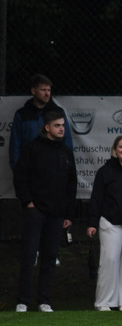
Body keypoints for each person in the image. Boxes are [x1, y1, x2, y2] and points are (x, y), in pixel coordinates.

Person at [13, 110, 77, 312]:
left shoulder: (66, 152)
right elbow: (20, 177)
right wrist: (29, 203)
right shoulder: (33, 149)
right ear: (47, 127)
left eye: (63, 126)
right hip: (36, 211)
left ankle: (44, 300)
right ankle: (23, 300)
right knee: (29, 255)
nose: (61, 129)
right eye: (57, 125)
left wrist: (68, 214)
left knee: (50, 257)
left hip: (57, 214)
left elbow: (71, 184)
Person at [86, 136, 122, 311]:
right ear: (115, 150)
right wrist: (92, 223)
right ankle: (104, 302)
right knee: (109, 260)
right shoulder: (105, 171)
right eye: (121, 147)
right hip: (110, 222)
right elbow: (96, 198)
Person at [8, 74, 74, 172]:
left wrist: (65, 168)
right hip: (29, 169)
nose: (47, 94)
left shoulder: (58, 113)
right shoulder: (22, 114)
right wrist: (18, 171)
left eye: (49, 90)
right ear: (33, 91)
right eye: (43, 90)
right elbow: (15, 146)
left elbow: (67, 142)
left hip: (54, 168)